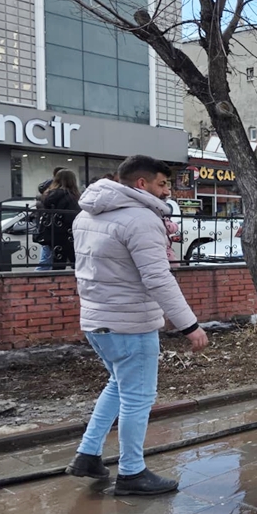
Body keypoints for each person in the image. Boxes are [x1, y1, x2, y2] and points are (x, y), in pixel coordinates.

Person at [65, 155, 209, 496]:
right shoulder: (141, 219)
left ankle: (87, 455)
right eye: (162, 184)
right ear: (142, 183)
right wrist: (190, 325)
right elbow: (158, 278)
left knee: (118, 385)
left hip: (96, 321)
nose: (167, 191)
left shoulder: (87, 214)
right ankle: (132, 473)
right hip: (131, 324)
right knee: (138, 398)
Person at [38, 169, 81, 270]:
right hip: (68, 233)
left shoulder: (49, 195)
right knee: (77, 263)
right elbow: (73, 217)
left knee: (57, 263)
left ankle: (55, 279)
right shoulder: (71, 197)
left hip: (53, 233)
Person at [34, 167, 63, 270]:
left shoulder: (49, 190)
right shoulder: (53, 190)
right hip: (50, 229)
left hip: (49, 228)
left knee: (48, 257)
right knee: (46, 259)